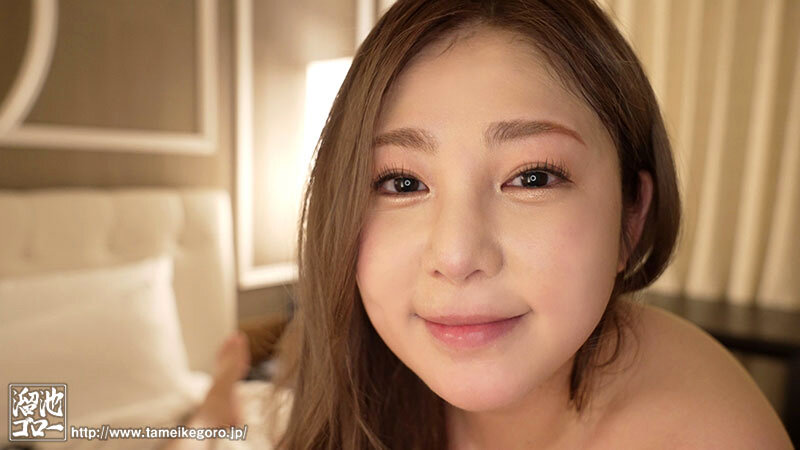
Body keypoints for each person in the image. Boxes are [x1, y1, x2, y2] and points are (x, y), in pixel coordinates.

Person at [195, 0, 795, 448]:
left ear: (631, 216)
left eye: (532, 177)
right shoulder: (349, 364)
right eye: (402, 183)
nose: (456, 256)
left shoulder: (709, 432)